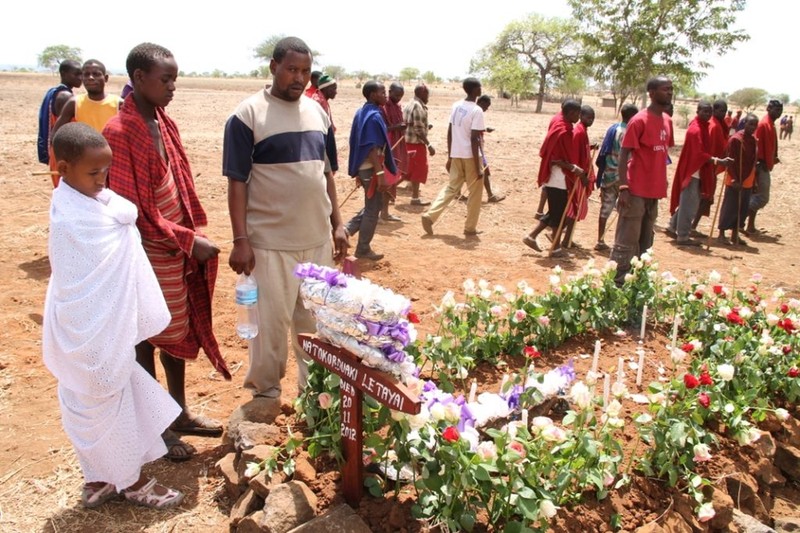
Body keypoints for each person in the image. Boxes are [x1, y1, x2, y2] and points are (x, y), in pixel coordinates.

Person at [44, 122, 184, 510]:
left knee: (109, 400)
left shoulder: (90, 202)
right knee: (91, 403)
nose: (102, 180)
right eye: (93, 173)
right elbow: (78, 278)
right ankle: (130, 481)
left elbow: (122, 214)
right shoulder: (70, 218)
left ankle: (105, 477)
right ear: (64, 168)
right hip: (83, 330)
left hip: (106, 329)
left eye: (105, 171)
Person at [104, 43, 230, 461]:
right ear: (139, 79)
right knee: (145, 339)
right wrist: (189, 240)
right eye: (166, 79)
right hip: (144, 252)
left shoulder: (162, 120)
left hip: (174, 248)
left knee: (177, 333)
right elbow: (131, 210)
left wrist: (186, 239)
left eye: (175, 78)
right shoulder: (118, 133)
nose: (173, 86)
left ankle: (178, 412)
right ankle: (153, 426)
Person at [223, 36, 348, 399]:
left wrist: (337, 224)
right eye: (292, 69)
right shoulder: (246, 115)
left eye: (306, 71)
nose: (299, 78)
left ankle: (316, 398)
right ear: (273, 67)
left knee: (317, 325)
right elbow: (237, 182)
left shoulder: (318, 113)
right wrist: (240, 240)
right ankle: (265, 396)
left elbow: (326, 175)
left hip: (317, 243)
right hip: (269, 245)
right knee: (270, 329)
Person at [609, 77, 675, 285]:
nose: (670, 93)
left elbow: (662, 154)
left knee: (646, 242)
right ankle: (618, 284)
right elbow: (624, 155)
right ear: (652, 93)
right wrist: (624, 187)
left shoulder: (667, 121)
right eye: (666, 89)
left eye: (671, 89)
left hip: (654, 191)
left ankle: (638, 283)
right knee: (627, 241)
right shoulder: (639, 120)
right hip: (635, 190)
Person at [421, 77, 486, 237]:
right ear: (474, 90)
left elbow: (450, 131)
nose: (481, 90)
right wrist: (478, 166)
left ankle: (430, 215)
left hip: (457, 154)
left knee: (451, 188)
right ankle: (470, 228)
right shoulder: (477, 110)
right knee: (475, 193)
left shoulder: (456, 106)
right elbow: (474, 139)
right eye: (479, 87)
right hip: (471, 156)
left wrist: (450, 155)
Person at [522, 100, 584, 254]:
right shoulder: (563, 130)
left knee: (556, 210)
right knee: (558, 212)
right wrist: (573, 168)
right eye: (577, 113)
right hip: (558, 178)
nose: (579, 117)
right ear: (570, 113)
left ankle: (532, 237)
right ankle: (555, 248)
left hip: (556, 177)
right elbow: (555, 159)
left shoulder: (560, 123)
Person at [344, 81, 397, 259]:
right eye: (382, 92)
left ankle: (347, 230)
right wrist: (380, 173)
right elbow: (371, 147)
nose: (386, 95)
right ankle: (363, 248)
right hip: (371, 168)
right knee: (373, 208)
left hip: (365, 167)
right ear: (373, 95)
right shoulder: (373, 117)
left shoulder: (363, 112)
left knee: (373, 205)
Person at [666, 102, 730, 246]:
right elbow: (698, 153)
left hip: (698, 170)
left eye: (709, 112)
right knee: (690, 205)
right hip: (693, 171)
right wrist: (716, 160)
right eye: (704, 112)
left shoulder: (703, 126)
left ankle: (673, 226)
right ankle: (683, 236)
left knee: (687, 203)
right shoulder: (695, 130)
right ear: (698, 111)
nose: (707, 115)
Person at [594, 103, 638, 251]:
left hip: (608, 173)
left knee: (605, 208)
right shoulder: (629, 132)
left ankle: (600, 240)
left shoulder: (614, 129)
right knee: (624, 209)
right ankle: (619, 241)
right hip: (623, 177)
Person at [37, 59, 81, 185]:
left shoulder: (55, 92)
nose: (81, 78)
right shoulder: (66, 97)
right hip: (63, 151)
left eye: (81, 74)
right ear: (63, 73)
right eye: (76, 74)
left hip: (57, 148)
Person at [718, 114, 758, 246]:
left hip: (747, 180)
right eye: (750, 124)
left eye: (755, 125)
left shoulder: (753, 140)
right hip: (734, 178)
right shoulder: (735, 140)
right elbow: (730, 160)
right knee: (730, 206)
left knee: (743, 208)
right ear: (744, 123)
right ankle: (721, 234)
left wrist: (754, 180)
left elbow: (752, 161)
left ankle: (735, 235)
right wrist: (735, 178)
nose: (753, 127)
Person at [52, 59, 122, 136]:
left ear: (106, 78)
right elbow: (56, 133)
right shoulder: (74, 103)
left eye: (96, 74)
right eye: (86, 74)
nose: (90, 78)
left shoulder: (119, 104)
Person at [560, 104, 596, 249]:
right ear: (581, 116)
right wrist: (581, 177)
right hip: (577, 177)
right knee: (574, 208)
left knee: (575, 208)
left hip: (580, 174)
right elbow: (575, 157)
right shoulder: (579, 132)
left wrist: (591, 147)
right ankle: (565, 239)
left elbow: (582, 150)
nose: (591, 120)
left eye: (593, 118)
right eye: (588, 117)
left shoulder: (583, 131)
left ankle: (567, 238)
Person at [744, 99, 782, 235]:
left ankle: (749, 226)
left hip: (765, 164)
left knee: (755, 195)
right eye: (776, 109)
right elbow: (756, 147)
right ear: (768, 108)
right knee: (762, 197)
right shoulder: (764, 124)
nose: (779, 112)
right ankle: (738, 220)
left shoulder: (770, 124)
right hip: (761, 166)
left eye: (780, 110)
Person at [691, 99, 729, 231]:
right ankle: (691, 226)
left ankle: (692, 226)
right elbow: (709, 149)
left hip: (713, 167)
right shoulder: (713, 126)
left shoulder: (720, 125)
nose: (723, 113)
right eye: (720, 110)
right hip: (708, 167)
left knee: (705, 198)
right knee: (703, 197)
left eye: (725, 111)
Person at [379, 82, 408, 222]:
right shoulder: (384, 107)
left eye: (401, 96)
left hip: (397, 146)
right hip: (388, 147)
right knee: (387, 179)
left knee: (394, 177)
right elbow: (382, 128)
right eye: (396, 95)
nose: (398, 98)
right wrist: (396, 127)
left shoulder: (397, 107)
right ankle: (381, 212)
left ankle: (385, 212)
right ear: (389, 92)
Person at [403, 84, 435, 206]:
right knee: (418, 170)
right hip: (416, 144)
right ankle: (415, 198)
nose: (428, 97)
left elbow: (412, 124)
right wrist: (429, 144)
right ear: (422, 93)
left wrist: (427, 126)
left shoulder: (410, 103)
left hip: (407, 142)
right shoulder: (418, 106)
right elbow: (418, 129)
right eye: (427, 94)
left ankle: (389, 195)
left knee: (407, 170)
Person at [476, 94, 505, 203]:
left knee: (481, 170)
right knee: (484, 170)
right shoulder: (476, 112)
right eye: (486, 106)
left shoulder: (476, 112)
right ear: (481, 102)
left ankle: (458, 193)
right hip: (476, 148)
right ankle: (490, 196)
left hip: (476, 147)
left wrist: (485, 129)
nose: (486, 109)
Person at [311, 74, 339, 173]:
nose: (336, 92)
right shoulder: (318, 103)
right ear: (326, 89)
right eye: (334, 88)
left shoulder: (322, 100)